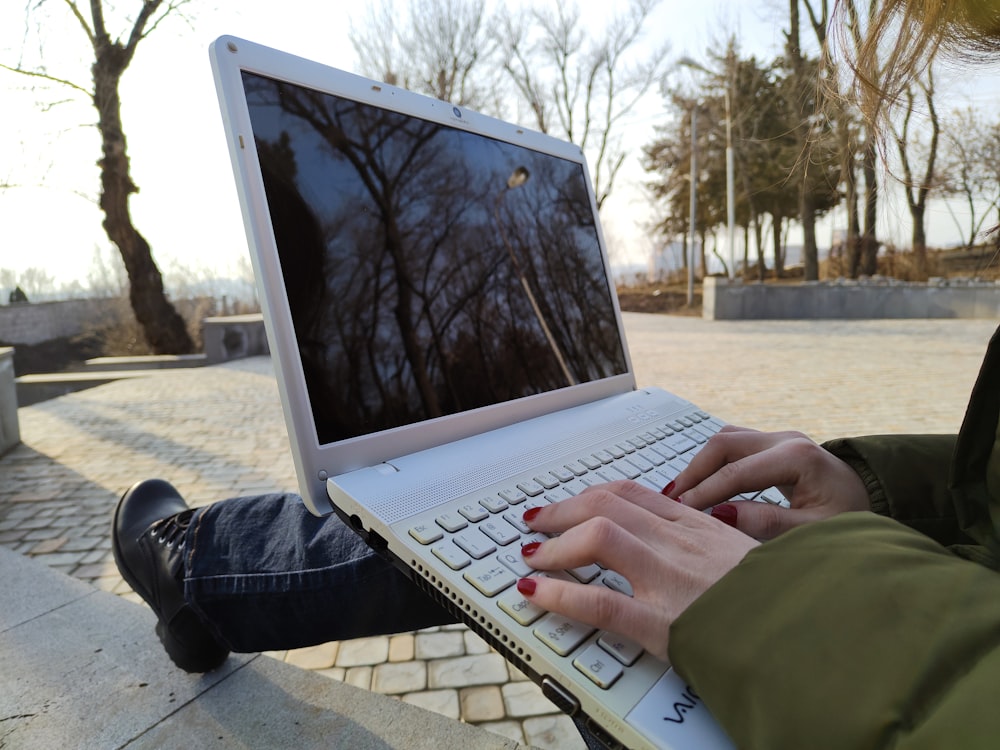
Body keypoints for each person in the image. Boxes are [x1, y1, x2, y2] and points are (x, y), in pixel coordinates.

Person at [112, 1, 1000, 746]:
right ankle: (202, 571)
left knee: (518, 531)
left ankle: (194, 565)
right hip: (898, 618)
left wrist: (791, 614)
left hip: (851, 667)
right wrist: (886, 493)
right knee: (574, 515)